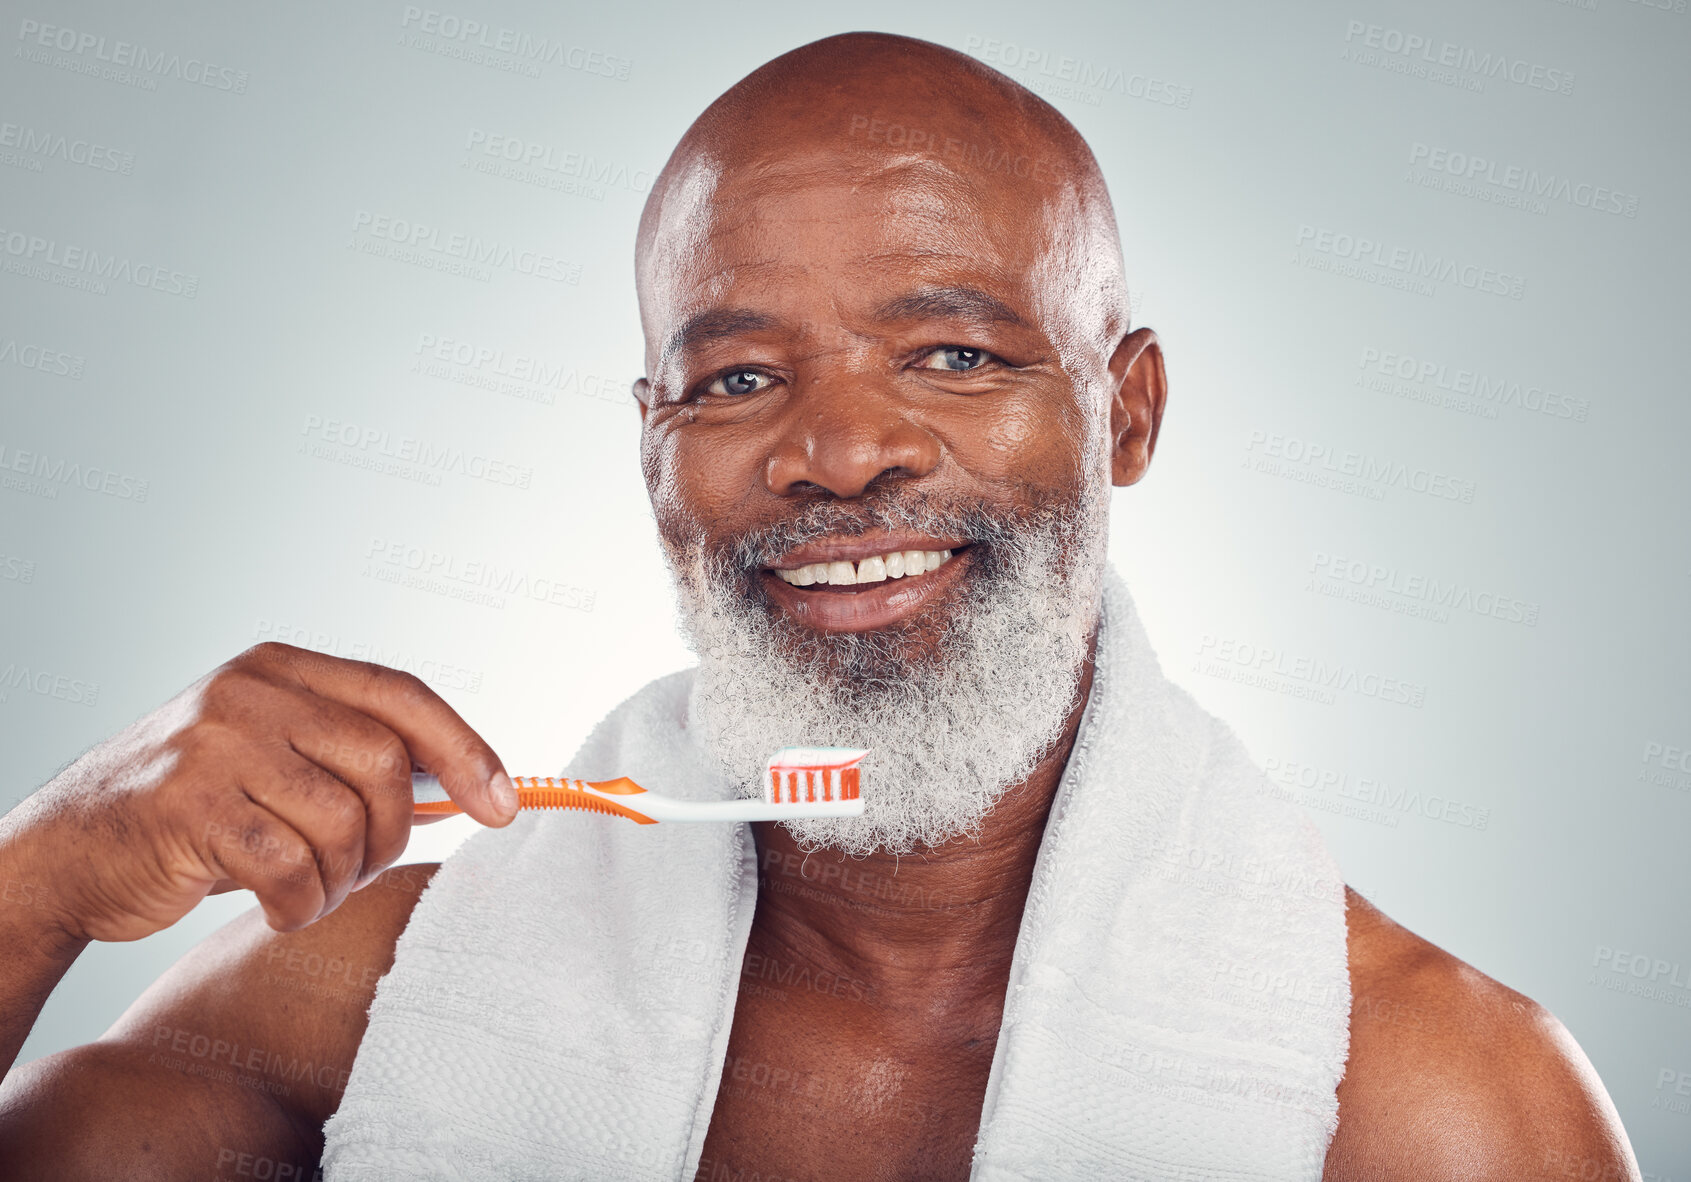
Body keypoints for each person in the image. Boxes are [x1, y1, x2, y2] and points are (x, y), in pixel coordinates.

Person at [0, 31, 1638, 1182]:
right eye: (737, 378)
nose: (839, 452)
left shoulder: (1435, 1106)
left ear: (1126, 414)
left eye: (954, 354)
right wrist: (43, 872)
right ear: (653, 453)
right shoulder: (363, 1001)